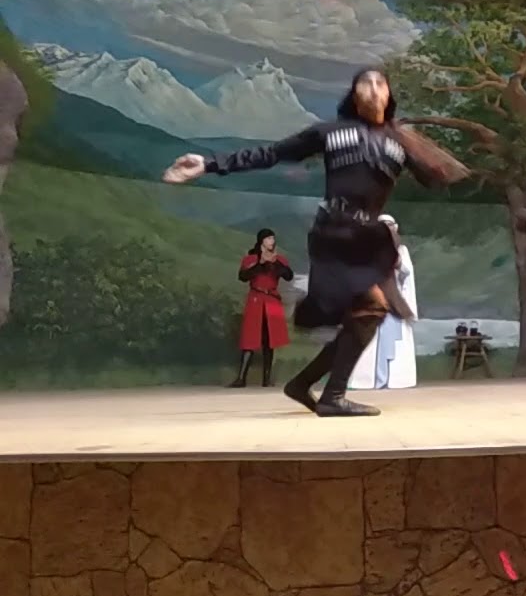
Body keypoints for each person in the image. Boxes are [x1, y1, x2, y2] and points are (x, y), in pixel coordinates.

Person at [162, 68, 469, 416]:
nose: (372, 89)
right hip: (334, 233)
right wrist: (209, 164)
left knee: (368, 314)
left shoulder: (401, 142)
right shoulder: (330, 133)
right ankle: (330, 395)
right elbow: (273, 153)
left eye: (379, 83)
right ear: (354, 96)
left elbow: (442, 178)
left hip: (369, 239)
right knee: (370, 309)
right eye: (364, 83)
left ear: (388, 95)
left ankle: (307, 386)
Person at [350, 215, 418, 390]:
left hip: (395, 303)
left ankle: (392, 379)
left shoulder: (401, 250)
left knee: (392, 341)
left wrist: (397, 261)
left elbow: (406, 272)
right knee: (372, 344)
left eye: (390, 225)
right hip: (374, 300)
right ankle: (372, 379)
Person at [232, 228, 293, 388]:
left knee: (269, 339)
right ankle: (241, 378)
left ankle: (266, 379)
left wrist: (275, 263)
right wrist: (260, 264)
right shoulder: (250, 259)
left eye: (273, 238)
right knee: (249, 338)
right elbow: (243, 277)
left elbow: (288, 275)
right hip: (256, 298)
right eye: (268, 238)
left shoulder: (279, 259)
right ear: (261, 241)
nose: (272, 241)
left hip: (271, 299)